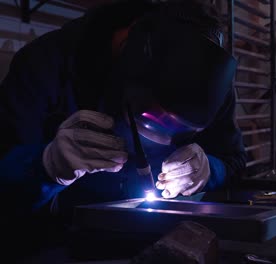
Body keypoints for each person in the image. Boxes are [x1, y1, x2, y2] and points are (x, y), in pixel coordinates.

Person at [0, 0, 246, 258]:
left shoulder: (211, 85)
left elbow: (235, 161)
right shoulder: (47, 63)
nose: (163, 138)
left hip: (165, 245)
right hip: (58, 243)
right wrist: (46, 166)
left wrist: (208, 170)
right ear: (132, 49)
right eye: (153, 117)